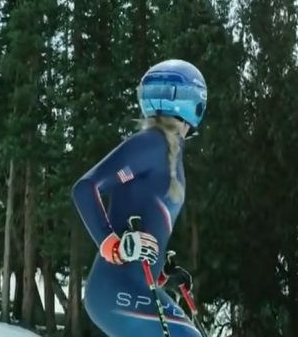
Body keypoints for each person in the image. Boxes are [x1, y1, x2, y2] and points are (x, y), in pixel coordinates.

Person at [71, 59, 207, 337]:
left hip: (132, 288)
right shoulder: (152, 143)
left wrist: (162, 273)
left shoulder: (168, 150)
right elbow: (85, 188)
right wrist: (112, 245)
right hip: (115, 292)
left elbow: (140, 218)